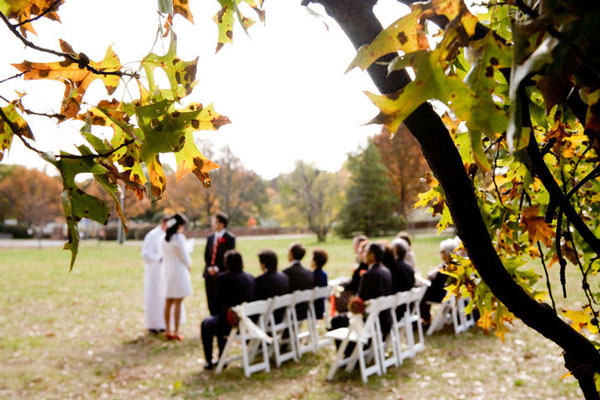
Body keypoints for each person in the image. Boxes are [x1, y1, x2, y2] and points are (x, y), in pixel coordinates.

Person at [201, 250, 255, 370]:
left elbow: (217, 302)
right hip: (247, 320)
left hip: (230, 323)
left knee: (207, 324)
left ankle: (210, 360)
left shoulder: (223, 278)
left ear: (226, 264)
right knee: (220, 318)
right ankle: (221, 357)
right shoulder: (250, 277)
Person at [161, 214, 192, 341]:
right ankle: (176, 330)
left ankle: (167, 329)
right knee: (178, 302)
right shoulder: (179, 238)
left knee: (168, 302)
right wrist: (189, 265)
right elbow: (183, 256)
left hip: (167, 270)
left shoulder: (164, 238)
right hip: (178, 270)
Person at [420, 238, 460, 326]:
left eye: (442, 252)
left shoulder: (447, 268)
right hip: (450, 295)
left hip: (442, 295)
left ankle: (426, 320)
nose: (440, 254)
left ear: (448, 254)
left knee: (422, 293)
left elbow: (436, 285)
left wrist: (427, 281)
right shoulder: (458, 264)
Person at [203, 212, 236, 316]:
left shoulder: (230, 238)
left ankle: (219, 316)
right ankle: (212, 315)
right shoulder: (210, 238)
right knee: (210, 296)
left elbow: (229, 256)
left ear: (222, 224)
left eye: (215, 222)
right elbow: (207, 255)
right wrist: (209, 267)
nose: (213, 224)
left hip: (222, 272)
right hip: (209, 273)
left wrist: (217, 268)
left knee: (220, 297)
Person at [141, 215, 169, 334]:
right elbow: (145, 254)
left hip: (164, 272)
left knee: (163, 299)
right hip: (154, 271)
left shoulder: (167, 235)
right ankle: (153, 324)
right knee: (153, 299)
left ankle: (163, 324)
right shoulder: (152, 235)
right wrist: (159, 258)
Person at [282, 242, 314, 320]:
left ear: (291, 254)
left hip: (291, 312)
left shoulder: (286, 273)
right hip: (305, 310)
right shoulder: (309, 273)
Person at [311, 248, 328, 319]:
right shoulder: (324, 274)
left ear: (315, 261)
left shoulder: (313, 275)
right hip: (322, 307)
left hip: (314, 308)